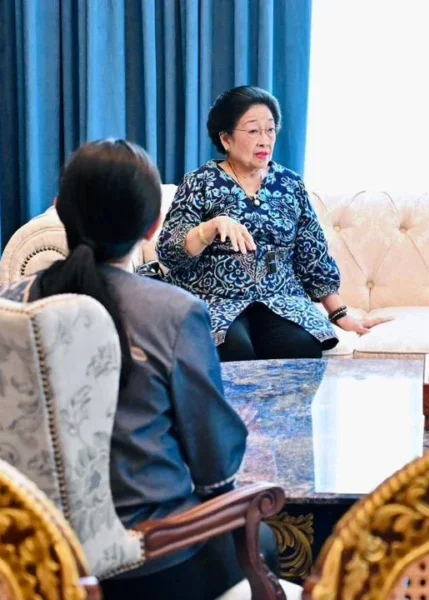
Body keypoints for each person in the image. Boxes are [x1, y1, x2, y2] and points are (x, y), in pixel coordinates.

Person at [0, 140, 276, 599]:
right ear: (153, 227)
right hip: (146, 564)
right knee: (262, 539)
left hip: (32, 559)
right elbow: (215, 469)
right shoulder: (174, 313)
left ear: (61, 211)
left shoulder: (10, 306)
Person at [157, 85, 390, 362]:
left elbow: (312, 257)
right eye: (253, 131)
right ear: (226, 138)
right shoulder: (199, 182)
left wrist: (341, 314)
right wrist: (209, 228)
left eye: (270, 130)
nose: (264, 140)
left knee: (300, 346)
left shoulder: (290, 184)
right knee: (231, 349)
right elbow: (170, 251)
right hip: (214, 298)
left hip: (281, 299)